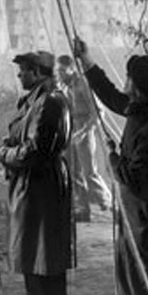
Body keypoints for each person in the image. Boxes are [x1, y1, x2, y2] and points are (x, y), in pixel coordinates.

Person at [74, 39, 148, 295]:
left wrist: (112, 157)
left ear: (140, 88)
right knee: (130, 277)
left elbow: (134, 178)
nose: (125, 83)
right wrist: (86, 60)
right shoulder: (142, 111)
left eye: (129, 78)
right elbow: (111, 96)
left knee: (147, 281)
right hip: (135, 212)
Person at [0, 51, 73, 295]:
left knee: (43, 270)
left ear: (38, 72)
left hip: (40, 191)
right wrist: (12, 145)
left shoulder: (48, 102)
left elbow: (34, 151)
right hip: (37, 188)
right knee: (38, 268)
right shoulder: (41, 100)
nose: (19, 75)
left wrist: (5, 154)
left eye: (24, 70)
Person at [56, 54, 112, 222]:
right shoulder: (62, 85)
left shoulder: (83, 84)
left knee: (89, 171)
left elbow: (98, 112)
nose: (60, 74)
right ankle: (82, 207)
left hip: (84, 128)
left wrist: (83, 132)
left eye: (63, 70)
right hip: (69, 129)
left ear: (72, 68)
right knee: (73, 171)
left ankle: (107, 202)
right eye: (58, 71)